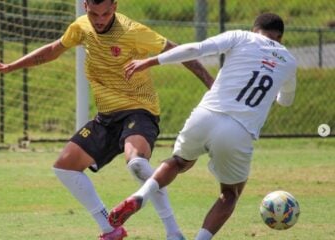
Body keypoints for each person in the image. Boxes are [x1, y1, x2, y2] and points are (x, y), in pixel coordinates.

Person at [0, 0, 213, 239]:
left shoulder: (133, 31)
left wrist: (210, 83)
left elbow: (177, 51)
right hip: (106, 117)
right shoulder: (81, 27)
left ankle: (173, 233)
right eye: (94, 14)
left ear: (114, 6)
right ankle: (110, 228)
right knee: (65, 167)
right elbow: (53, 49)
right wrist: (11, 66)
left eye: (105, 13)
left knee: (136, 164)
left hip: (139, 110)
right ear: (85, 7)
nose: (100, 19)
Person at [108, 13, 297, 240]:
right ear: (281, 38)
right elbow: (285, 101)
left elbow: (195, 49)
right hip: (238, 131)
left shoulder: (241, 36)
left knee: (178, 162)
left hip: (205, 115)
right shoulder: (289, 61)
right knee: (230, 193)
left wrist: (150, 61)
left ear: (254, 29)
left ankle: (141, 194)